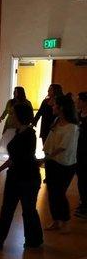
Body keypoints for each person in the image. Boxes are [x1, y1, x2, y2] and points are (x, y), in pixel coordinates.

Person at [0, 103, 43, 249]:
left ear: (20, 116)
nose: (12, 117)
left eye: (14, 114)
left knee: (28, 210)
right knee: (7, 209)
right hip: (15, 176)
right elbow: (13, 158)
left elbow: (21, 158)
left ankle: (34, 240)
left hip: (28, 178)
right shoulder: (18, 132)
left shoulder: (29, 134)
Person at [42, 94, 79, 232]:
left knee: (60, 193)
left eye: (55, 104)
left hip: (65, 164)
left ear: (61, 107)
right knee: (52, 192)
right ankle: (56, 220)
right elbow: (50, 140)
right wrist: (46, 155)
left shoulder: (72, 127)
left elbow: (63, 147)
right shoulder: (57, 120)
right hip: (52, 161)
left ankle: (65, 221)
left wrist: (46, 158)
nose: (52, 106)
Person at [0, 87, 33, 153]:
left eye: (16, 91)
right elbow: (6, 111)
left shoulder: (27, 102)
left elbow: (30, 114)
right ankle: (10, 157)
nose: (14, 92)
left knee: (18, 143)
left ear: (20, 93)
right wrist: (1, 118)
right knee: (9, 142)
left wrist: (31, 124)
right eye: (14, 91)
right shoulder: (10, 102)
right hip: (10, 124)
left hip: (20, 125)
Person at [75, 92, 87, 219]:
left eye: (79, 100)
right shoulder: (78, 115)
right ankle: (83, 202)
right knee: (81, 179)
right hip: (78, 151)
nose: (77, 102)